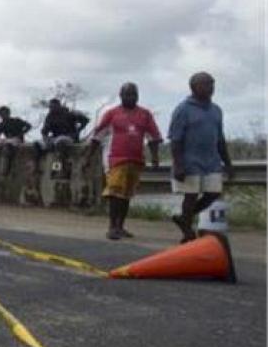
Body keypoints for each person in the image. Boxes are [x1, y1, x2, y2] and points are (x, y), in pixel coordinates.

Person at [85, 82, 161, 240]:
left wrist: (155, 157)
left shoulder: (145, 114)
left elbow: (153, 137)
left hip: (136, 159)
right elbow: (97, 136)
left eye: (134, 94)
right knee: (115, 192)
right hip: (115, 159)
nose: (131, 97)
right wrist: (89, 157)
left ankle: (120, 226)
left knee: (126, 195)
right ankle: (112, 227)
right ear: (121, 96)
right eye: (127, 95)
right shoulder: (112, 114)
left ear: (137, 96)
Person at [168, 72, 233, 242]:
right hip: (190, 161)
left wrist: (227, 162)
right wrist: (178, 164)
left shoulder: (216, 110)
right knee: (190, 196)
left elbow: (220, 139)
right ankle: (187, 232)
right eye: (206, 84)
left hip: (211, 161)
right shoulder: (183, 109)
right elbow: (175, 139)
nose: (210, 88)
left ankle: (184, 219)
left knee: (213, 193)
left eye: (212, 84)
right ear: (194, 87)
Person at [34, 98, 90, 172]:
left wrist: (78, 131)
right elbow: (44, 131)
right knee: (37, 144)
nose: (52, 108)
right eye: (50, 107)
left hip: (68, 137)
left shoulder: (69, 113)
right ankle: (38, 166)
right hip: (54, 138)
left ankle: (60, 167)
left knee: (60, 141)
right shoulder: (50, 116)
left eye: (53, 106)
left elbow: (85, 120)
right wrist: (46, 139)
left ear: (58, 106)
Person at [0, 105, 31, 177]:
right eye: (1, 114)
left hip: (17, 140)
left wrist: (21, 133)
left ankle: (4, 170)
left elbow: (28, 126)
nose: (3, 116)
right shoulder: (2, 124)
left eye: (4, 114)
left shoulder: (16, 121)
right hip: (8, 140)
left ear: (8, 113)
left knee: (7, 148)